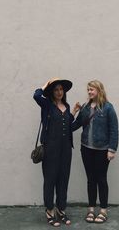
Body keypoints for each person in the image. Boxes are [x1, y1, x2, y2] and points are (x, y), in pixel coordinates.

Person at [33, 78, 79, 227]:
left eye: (61, 90)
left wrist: (74, 112)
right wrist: (46, 84)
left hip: (66, 149)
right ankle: (49, 210)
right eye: (56, 89)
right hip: (50, 149)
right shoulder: (46, 105)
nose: (59, 92)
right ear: (52, 92)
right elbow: (36, 95)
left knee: (63, 179)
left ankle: (61, 210)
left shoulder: (66, 105)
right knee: (50, 180)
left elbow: (66, 123)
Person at [72, 80, 119, 224]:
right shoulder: (85, 107)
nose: (89, 92)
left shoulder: (108, 108)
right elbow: (75, 125)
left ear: (99, 90)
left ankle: (103, 210)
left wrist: (112, 149)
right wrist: (72, 113)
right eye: (88, 90)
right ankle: (91, 209)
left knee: (101, 179)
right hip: (86, 148)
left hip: (102, 150)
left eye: (92, 89)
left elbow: (114, 130)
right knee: (90, 179)